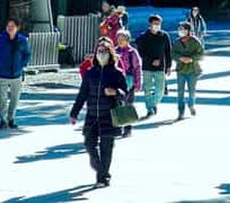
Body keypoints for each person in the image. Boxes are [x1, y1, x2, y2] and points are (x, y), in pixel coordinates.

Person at [70, 42, 128, 188]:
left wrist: (115, 92)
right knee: (89, 144)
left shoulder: (117, 73)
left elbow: (125, 94)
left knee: (106, 148)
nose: (101, 54)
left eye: (104, 51)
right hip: (92, 115)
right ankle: (101, 170)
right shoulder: (90, 73)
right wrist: (74, 113)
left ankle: (102, 178)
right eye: (99, 51)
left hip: (110, 115)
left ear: (110, 54)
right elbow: (82, 94)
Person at [0, 18, 32, 130]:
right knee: (2, 99)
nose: (10, 28)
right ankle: (3, 120)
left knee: (15, 98)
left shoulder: (22, 40)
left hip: (16, 74)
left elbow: (27, 54)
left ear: (17, 28)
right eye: (8, 26)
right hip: (2, 73)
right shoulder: (0, 39)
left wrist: (22, 65)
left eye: (12, 26)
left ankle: (11, 119)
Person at [135, 14, 172, 118]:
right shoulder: (144, 36)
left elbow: (168, 52)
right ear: (150, 24)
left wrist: (169, 66)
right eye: (155, 23)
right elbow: (140, 51)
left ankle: (152, 103)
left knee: (160, 90)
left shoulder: (164, 36)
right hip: (147, 67)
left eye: (159, 23)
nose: (157, 25)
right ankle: (149, 108)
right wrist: (151, 60)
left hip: (160, 67)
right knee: (147, 89)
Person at [171, 21, 204, 120]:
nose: (181, 31)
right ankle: (181, 111)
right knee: (180, 92)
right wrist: (180, 58)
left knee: (192, 91)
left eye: (183, 29)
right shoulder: (177, 42)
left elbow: (201, 54)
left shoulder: (195, 41)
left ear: (188, 30)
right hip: (181, 70)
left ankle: (191, 105)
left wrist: (191, 59)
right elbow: (173, 54)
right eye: (179, 29)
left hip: (193, 70)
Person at [115, 31, 142, 137]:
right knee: (117, 104)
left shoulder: (132, 52)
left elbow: (137, 68)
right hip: (117, 81)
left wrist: (138, 84)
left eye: (122, 39)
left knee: (128, 105)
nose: (120, 41)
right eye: (118, 38)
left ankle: (127, 128)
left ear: (127, 40)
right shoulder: (114, 51)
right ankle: (118, 126)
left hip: (129, 82)